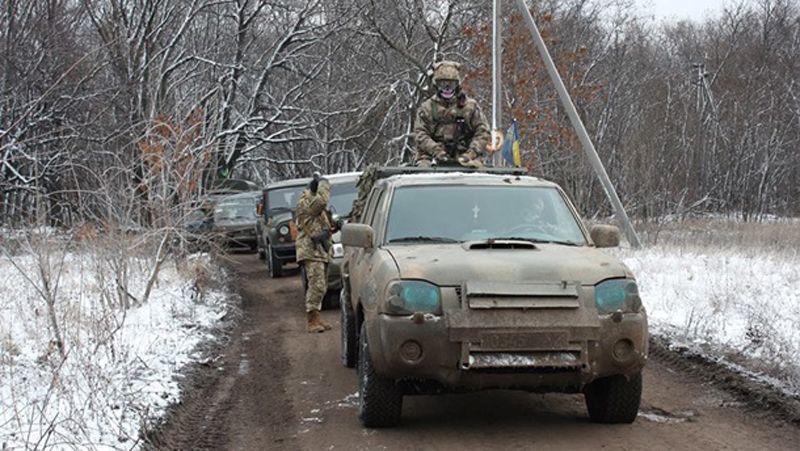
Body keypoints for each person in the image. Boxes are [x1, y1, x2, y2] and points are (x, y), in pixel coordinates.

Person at [414, 60, 491, 167]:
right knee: (422, 173)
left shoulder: (470, 107)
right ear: (436, 84)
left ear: (457, 84)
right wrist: (437, 151)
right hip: (431, 157)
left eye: (451, 84)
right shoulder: (426, 108)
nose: (447, 88)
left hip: (466, 156)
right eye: (443, 84)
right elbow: (420, 134)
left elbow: (483, 132)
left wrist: (470, 153)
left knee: (477, 171)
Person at [295, 172, 333, 333]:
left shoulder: (313, 203)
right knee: (316, 285)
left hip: (319, 250)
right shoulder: (306, 202)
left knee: (321, 286)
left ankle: (317, 317)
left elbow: (321, 222)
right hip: (310, 250)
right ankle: (311, 321)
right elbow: (322, 202)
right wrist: (324, 184)